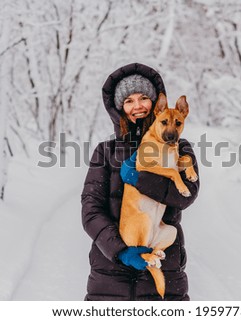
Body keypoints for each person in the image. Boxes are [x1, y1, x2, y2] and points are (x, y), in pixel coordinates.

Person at [81, 63, 200, 301]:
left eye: (144, 97)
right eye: (128, 100)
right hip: (110, 276)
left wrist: (139, 178)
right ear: (119, 107)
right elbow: (91, 211)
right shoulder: (106, 151)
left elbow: (185, 196)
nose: (137, 106)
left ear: (157, 104)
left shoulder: (180, 147)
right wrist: (120, 251)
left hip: (165, 267)